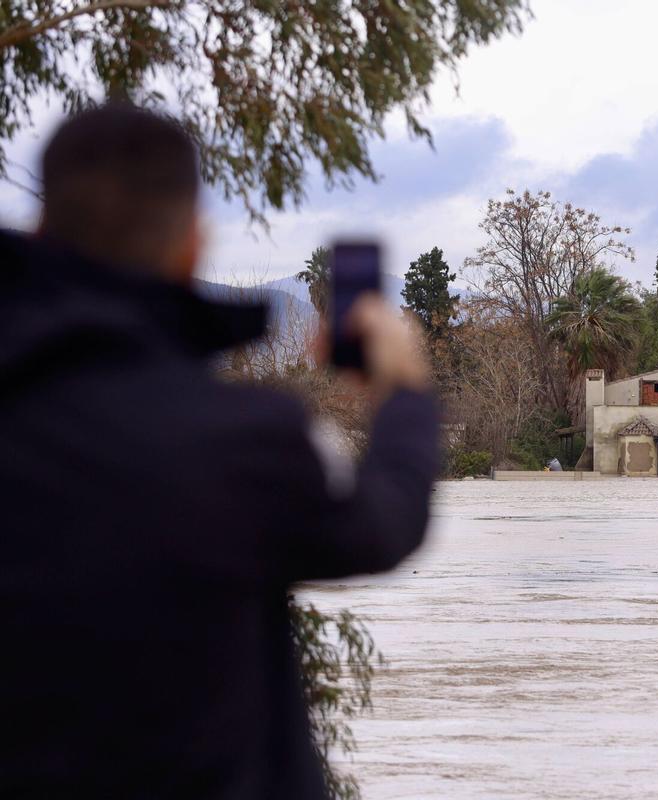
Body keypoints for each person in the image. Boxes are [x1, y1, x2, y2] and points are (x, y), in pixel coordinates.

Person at [0, 105, 438, 798]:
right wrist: (403, 393)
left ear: (41, 230)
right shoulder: (245, 439)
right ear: (191, 247)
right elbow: (384, 524)